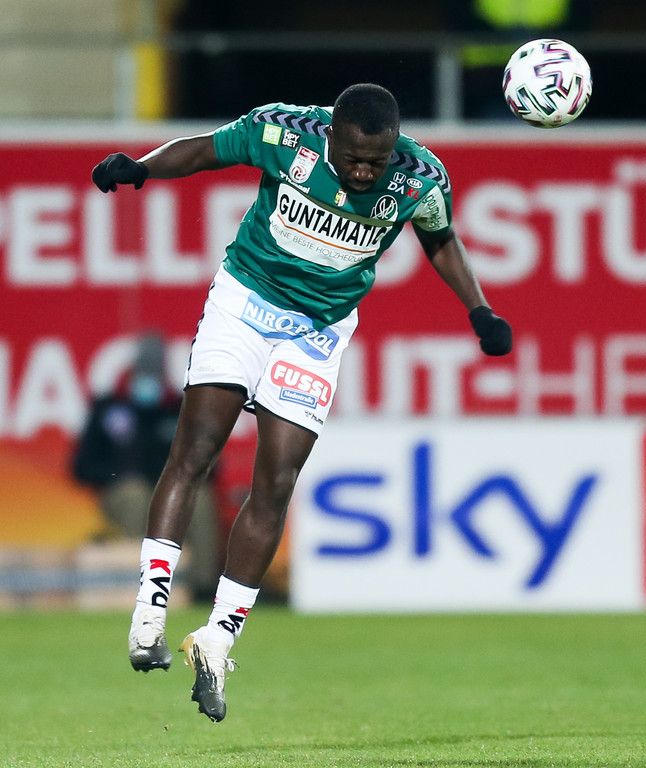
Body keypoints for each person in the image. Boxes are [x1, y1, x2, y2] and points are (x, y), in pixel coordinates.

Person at [91, 83, 512, 723]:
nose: (364, 172)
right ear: (332, 134)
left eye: (376, 161)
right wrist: (142, 168)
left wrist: (479, 310)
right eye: (354, 158)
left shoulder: (420, 177)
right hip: (245, 302)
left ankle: (217, 639)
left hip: (318, 332)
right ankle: (150, 611)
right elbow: (205, 150)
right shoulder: (286, 132)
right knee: (196, 450)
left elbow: (440, 238)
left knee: (277, 481)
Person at [71, 333, 220, 600]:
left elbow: (211, 466)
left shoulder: (178, 410)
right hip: (122, 491)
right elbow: (81, 466)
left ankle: (200, 587)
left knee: (200, 498)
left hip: (170, 488)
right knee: (136, 495)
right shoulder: (109, 409)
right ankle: (139, 582)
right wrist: (119, 475)